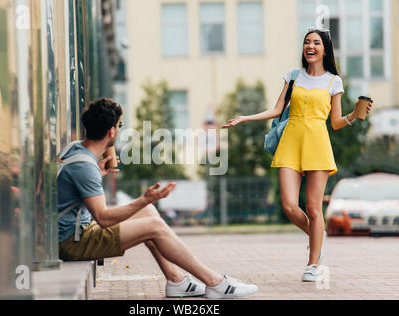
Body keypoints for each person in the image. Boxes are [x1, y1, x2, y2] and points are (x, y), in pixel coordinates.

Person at [58, 97, 258, 299]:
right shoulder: (85, 167)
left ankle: (176, 280)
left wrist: (101, 175)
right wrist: (144, 198)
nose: (118, 130)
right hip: (73, 241)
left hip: (73, 231)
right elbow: (104, 218)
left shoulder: (75, 149)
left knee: (148, 213)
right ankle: (215, 283)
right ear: (111, 131)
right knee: (154, 225)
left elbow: (73, 191)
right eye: (119, 125)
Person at [223, 28, 373, 282]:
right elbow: (277, 109)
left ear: (325, 49)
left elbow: (335, 122)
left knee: (314, 208)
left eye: (316, 42)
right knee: (290, 206)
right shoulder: (293, 76)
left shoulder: (333, 81)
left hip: (317, 143)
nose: (310, 46)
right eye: (306, 42)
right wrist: (245, 118)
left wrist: (353, 116)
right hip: (291, 141)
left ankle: (313, 264)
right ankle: (317, 235)